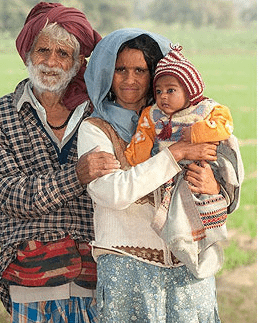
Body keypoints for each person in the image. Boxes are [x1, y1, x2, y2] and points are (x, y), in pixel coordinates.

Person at [77, 28, 242, 322]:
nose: (130, 80)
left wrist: (213, 186)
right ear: (105, 74)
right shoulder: (95, 129)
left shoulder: (190, 118)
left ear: (155, 75)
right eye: (120, 70)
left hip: (189, 265)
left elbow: (227, 175)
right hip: (126, 270)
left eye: (140, 70)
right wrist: (175, 154)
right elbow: (112, 193)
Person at [0, 2, 120, 322]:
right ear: (28, 53)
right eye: (43, 50)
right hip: (29, 276)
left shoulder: (99, 113)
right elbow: (9, 194)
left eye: (63, 53)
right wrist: (77, 175)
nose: (51, 62)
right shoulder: (1, 115)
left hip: (96, 276)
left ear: (77, 62)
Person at [124, 45, 242, 278]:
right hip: (170, 171)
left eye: (171, 90)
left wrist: (197, 134)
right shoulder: (152, 115)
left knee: (205, 204)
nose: (163, 97)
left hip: (202, 169)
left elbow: (225, 125)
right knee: (178, 213)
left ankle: (207, 246)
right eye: (158, 91)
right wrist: (134, 158)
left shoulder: (206, 109)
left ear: (189, 92)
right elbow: (142, 139)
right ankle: (184, 245)